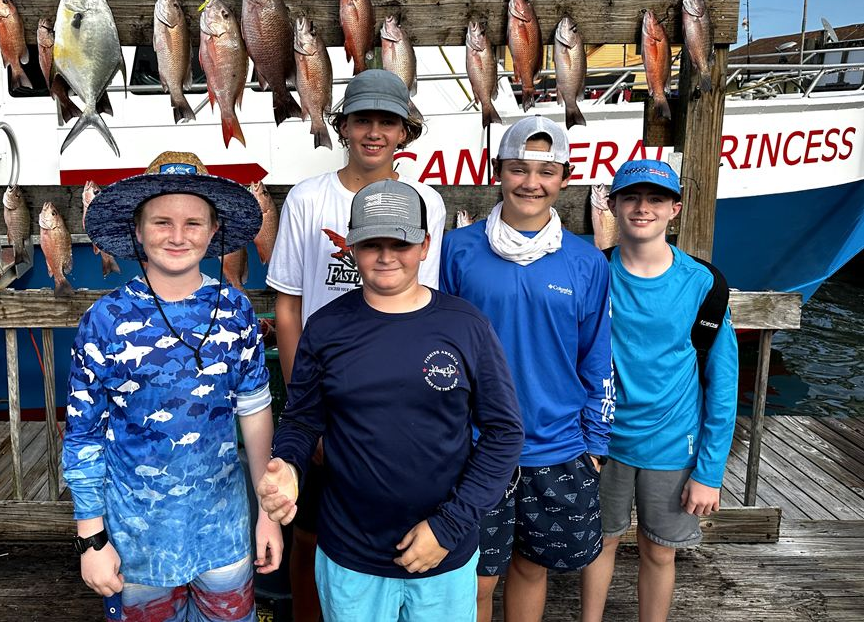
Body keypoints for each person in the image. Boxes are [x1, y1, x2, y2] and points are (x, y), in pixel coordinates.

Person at [257, 179, 524, 622]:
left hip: (443, 553)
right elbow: (303, 421)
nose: (385, 256)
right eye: (370, 243)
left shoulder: (466, 326)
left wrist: (449, 527)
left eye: (399, 242)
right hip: (350, 555)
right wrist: (288, 464)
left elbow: (503, 433)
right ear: (350, 248)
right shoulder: (325, 329)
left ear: (424, 245)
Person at [63, 151, 282, 622]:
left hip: (224, 532)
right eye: (162, 222)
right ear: (137, 231)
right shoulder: (104, 320)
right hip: (136, 540)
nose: (178, 236)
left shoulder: (237, 311)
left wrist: (268, 512)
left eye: (194, 223)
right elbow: (83, 436)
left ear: (213, 231)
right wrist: (91, 538)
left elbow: (255, 409)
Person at [265, 68, 447, 622]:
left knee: (394, 526)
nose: (374, 132)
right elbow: (290, 306)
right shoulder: (307, 197)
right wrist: (306, 409)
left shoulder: (426, 202)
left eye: (387, 121)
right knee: (308, 534)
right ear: (342, 126)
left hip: (395, 398)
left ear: (405, 132)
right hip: (322, 391)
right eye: (362, 119)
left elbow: (424, 307)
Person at [439, 115, 613, 622]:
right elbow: (438, 347)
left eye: (546, 170)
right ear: (498, 172)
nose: (531, 182)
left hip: (557, 446)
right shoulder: (458, 250)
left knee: (532, 568)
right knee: (476, 579)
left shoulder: (587, 263)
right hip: (475, 445)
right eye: (519, 168)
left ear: (564, 178)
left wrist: (595, 445)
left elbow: (598, 357)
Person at [580, 160, 738, 622]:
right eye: (630, 197)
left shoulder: (704, 284)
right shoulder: (593, 273)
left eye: (655, 199)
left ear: (675, 209)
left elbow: (723, 384)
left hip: (674, 445)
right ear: (612, 206)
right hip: (602, 443)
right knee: (598, 543)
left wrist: (709, 472)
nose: (642, 208)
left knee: (659, 551)